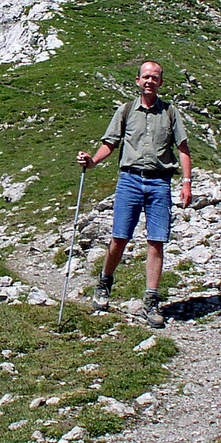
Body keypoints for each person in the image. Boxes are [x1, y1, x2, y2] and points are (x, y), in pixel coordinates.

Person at [77, 60, 192, 327]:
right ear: (138, 81)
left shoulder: (171, 113)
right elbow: (110, 143)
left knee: (157, 241)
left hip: (160, 183)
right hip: (129, 180)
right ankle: (104, 282)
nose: (150, 81)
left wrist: (186, 183)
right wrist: (93, 161)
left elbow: (183, 149)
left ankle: (150, 301)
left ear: (161, 83)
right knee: (119, 237)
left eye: (155, 77)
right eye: (146, 77)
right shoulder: (126, 110)